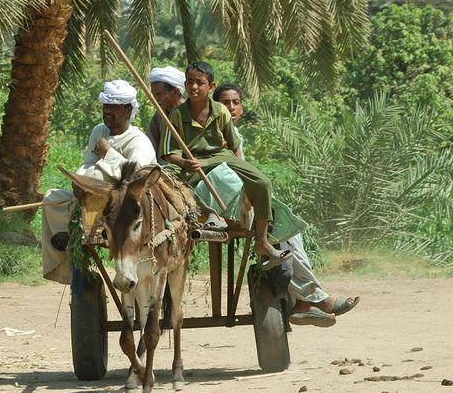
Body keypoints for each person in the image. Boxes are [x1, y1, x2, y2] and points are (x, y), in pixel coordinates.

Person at [213, 82, 359, 327]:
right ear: (214, 107)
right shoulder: (214, 133)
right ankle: (317, 299)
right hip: (227, 202)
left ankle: (305, 303)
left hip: (244, 199)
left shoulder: (235, 135)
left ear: (242, 107)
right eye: (225, 103)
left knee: (290, 233)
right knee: (282, 228)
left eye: (235, 103)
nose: (231, 107)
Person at [159, 61, 291, 270]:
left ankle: (263, 241)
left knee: (263, 183)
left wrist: (242, 169)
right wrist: (185, 162)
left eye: (199, 83)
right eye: (190, 82)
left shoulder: (220, 111)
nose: (193, 87)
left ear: (210, 86)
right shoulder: (177, 114)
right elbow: (168, 153)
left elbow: (234, 146)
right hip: (195, 163)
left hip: (223, 157)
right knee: (218, 178)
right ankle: (215, 214)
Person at [41, 80, 157, 284]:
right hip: (91, 197)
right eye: (106, 106)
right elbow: (87, 164)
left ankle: (88, 229)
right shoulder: (99, 131)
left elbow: (136, 178)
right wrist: (80, 181)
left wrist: (108, 153)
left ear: (128, 110)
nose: (108, 111)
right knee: (52, 198)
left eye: (114, 107)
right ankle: (68, 241)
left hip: (122, 207)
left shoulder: (139, 141)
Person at [146, 66, 185, 164]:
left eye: (159, 94)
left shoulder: (190, 114)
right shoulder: (159, 116)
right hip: (161, 171)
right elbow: (149, 145)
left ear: (176, 91)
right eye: (153, 95)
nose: (155, 99)